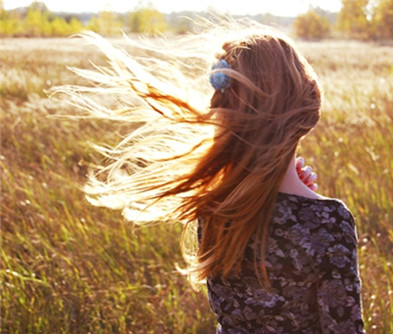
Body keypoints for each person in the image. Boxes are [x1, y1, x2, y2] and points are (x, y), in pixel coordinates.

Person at [62, 21, 364, 333]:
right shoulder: (329, 221)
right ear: (307, 104)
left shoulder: (215, 208)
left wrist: (292, 193)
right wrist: (312, 206)